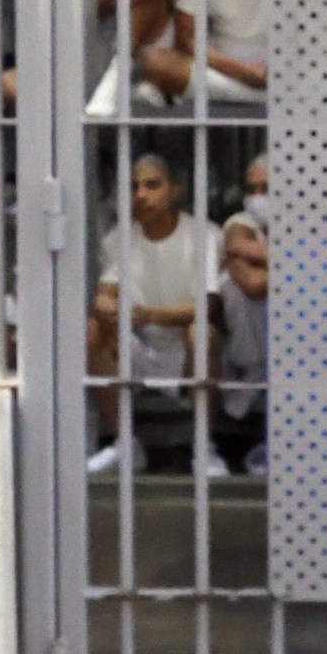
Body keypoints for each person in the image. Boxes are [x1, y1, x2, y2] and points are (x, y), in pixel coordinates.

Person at [86, 144, 209, 472]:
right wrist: (105, 305)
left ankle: (205, 447)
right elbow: (106, 291)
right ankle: (125, 443)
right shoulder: (119, 238)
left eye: (152, 185)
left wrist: (148, 314)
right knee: (93, 329)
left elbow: (208, 307)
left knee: (202, 333)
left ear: (175, 191)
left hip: (187, 354)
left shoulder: (203, 234)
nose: (140, 195)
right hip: (142, 350)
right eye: (133, 187)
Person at [207, 156, 271, 475]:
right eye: (252, 189)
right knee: (231, 282)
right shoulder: (241, 222)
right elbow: (252, 284)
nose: (257, 197)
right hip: (251, 346)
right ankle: (254, 366)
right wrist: (304, 263)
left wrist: (263, 255)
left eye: (266, 188)